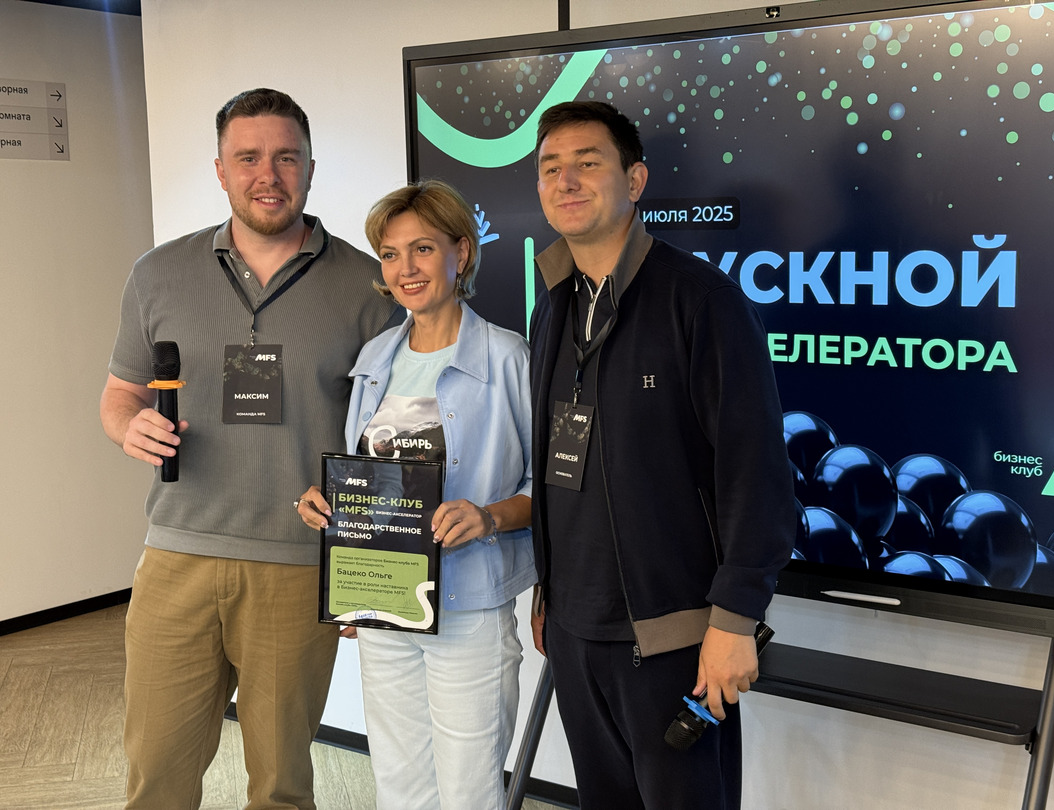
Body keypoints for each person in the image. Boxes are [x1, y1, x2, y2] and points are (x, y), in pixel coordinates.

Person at [99, 88, 398, 810]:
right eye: (248, 158)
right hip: (177, 559)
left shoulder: (370, 288)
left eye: (286, 157)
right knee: (156, 777)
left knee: (281, 786)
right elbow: (119, 395)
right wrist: (128, 424)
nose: (269, 175)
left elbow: (388, 446)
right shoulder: (157, 273)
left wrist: (370, 575)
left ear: (311, 168)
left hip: (298, 568)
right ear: (221, 170)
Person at [528, 100, 795, 809]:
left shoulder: (702, 301)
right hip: (574, 631)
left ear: (635, 180)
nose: (566, 181)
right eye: (551, 168)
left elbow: (757, 475)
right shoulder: (552, 304)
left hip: (674, 636)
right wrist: (549, 593)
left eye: (588, 163)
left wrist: (734, 621)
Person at [296, 179, 534, 810]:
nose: (406, 268)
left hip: (469, 610)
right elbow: (364, 479)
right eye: (391, 253)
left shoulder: (507, 356)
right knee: (400, 786)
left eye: (423, 249)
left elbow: (552, 489)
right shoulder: (375, 357)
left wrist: (487, 516)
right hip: (385, 607)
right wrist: (331, 512)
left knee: (469, 790)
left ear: (462, 252)